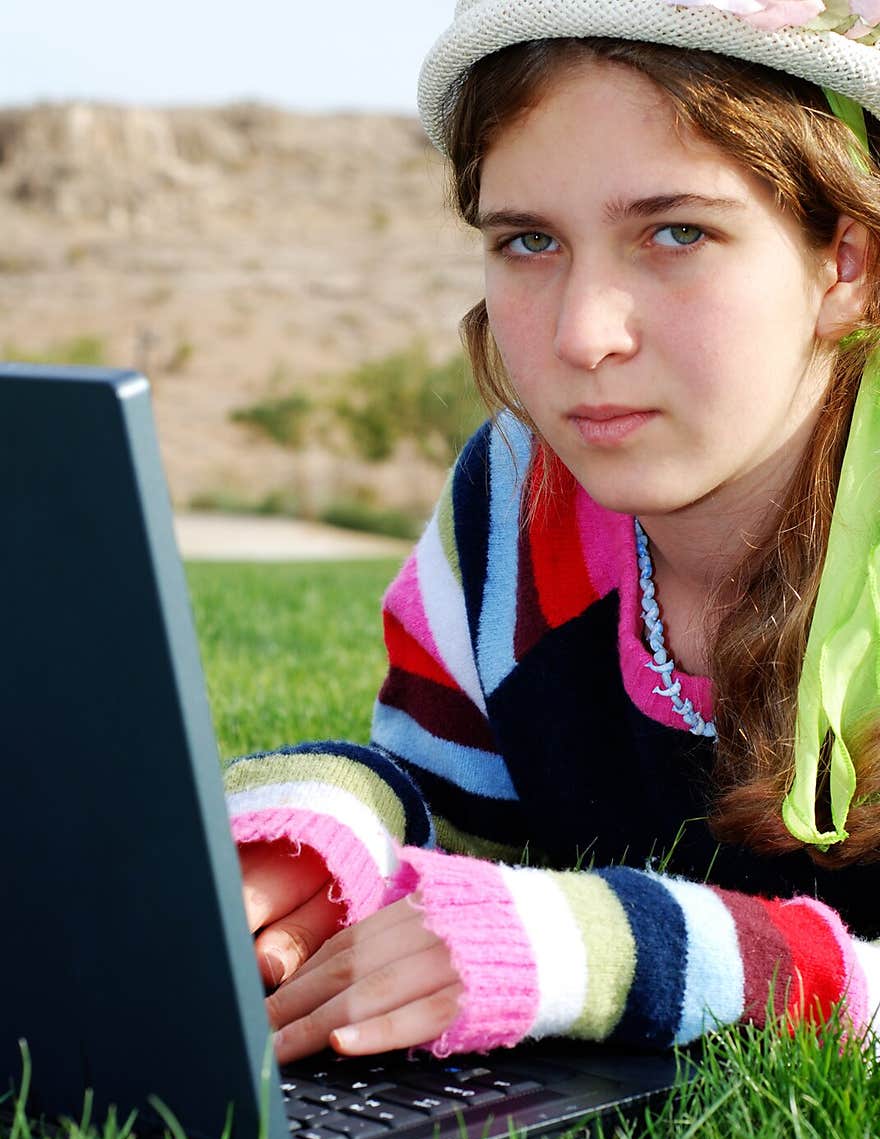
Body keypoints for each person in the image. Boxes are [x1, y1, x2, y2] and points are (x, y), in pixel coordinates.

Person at [226, 0, 880, 1066]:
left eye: (676, 233)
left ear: (845, 261)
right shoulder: (514, 496)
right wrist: (317, 834)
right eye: (528, 241)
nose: (583, 336)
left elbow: (553, 933)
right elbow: (453, 811)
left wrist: (609, 952)